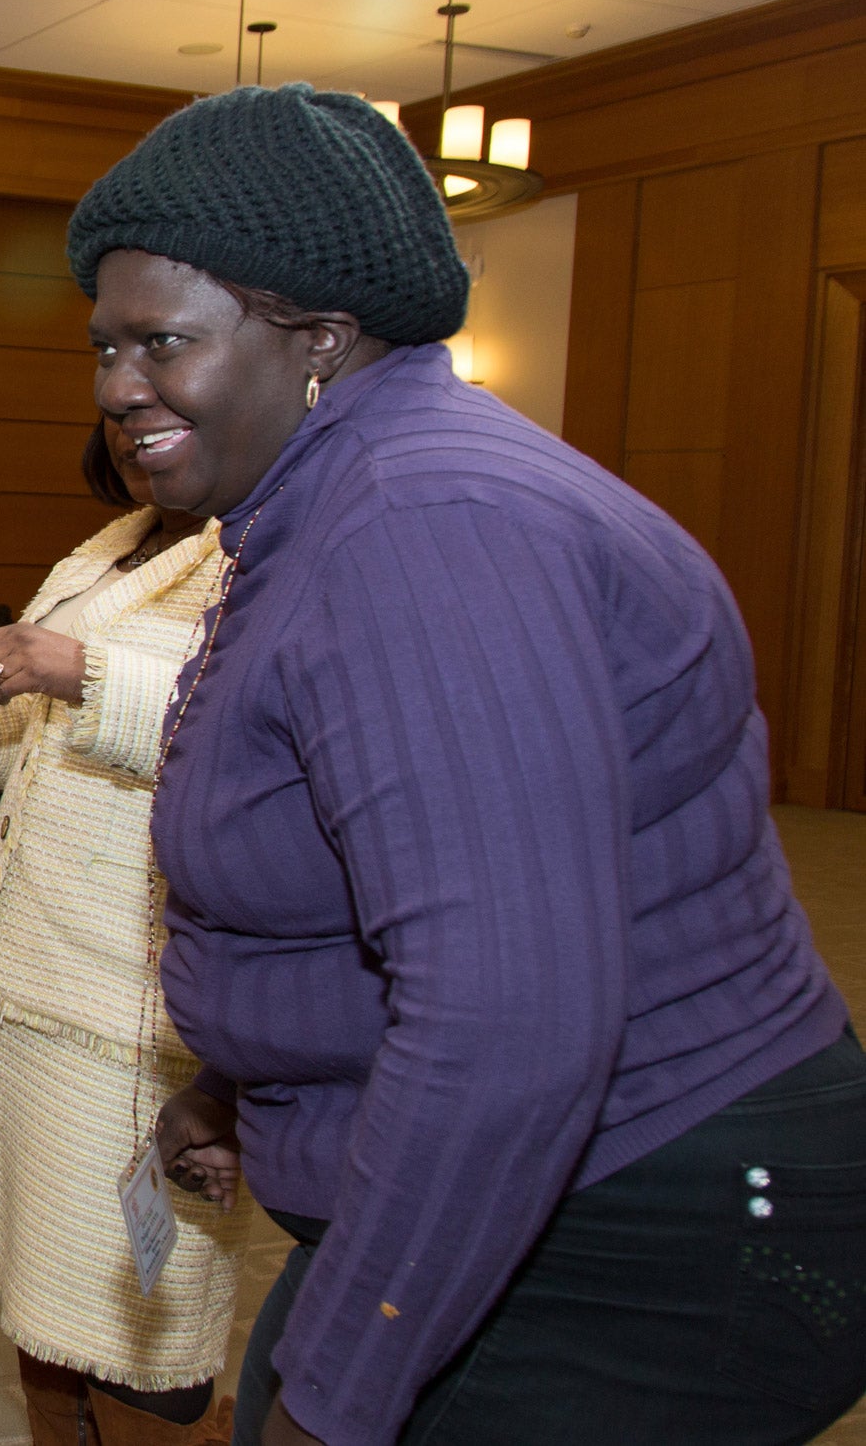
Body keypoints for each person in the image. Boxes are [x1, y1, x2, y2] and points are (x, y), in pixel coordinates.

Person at [72, 85, 866, 1446]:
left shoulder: (423, 529)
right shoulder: (332, 497)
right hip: (514, 1184)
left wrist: (343, 1400)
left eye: (161, 342)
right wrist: (248, 1073)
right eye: (102, 345)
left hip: (640, 1225)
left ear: (317, 338)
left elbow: (510, 1020)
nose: (114, 390)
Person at [0, 421, 238, 1445]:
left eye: (159, 387)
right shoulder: (113, 543)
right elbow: (41, 726)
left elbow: (265, 730)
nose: (133, 422)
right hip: (34, 976)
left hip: (140, 1001)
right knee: (44, 1294)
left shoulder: (265, 546)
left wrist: (85, 669)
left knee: (136, 1318)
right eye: (118, 402)